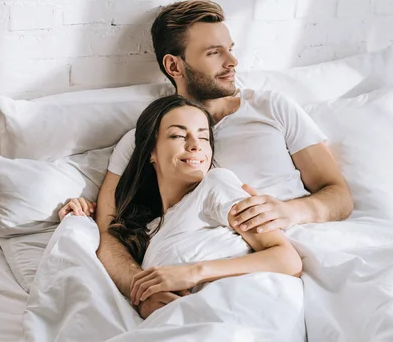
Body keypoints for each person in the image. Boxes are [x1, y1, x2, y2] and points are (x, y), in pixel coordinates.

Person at [60, 0, 353, 317]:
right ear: (175, 67)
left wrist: (289, 212)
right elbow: (108, 227)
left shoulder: (271, 107)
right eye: (214, 53)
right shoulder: (144, 140)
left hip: (298, 251)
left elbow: (338, 193)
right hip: (219, 270)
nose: (233, 62)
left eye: (230, 48)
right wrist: (141, 289)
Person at [60, 95, 303, 320]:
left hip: (243, 315)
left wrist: (194, 272)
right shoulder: (148, 232)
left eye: (204, 137)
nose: (195, 145)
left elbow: (287, 260)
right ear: (151, 152)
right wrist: (82, 218)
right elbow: (108, 247)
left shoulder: (216, 185)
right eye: (178, 136)